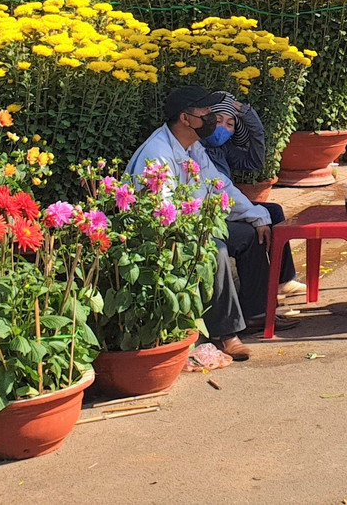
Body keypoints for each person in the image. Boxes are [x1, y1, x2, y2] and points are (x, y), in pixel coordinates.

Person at [126, 85, 288, 362]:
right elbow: (160, 212)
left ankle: (256, 312)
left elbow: (219, 186)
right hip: (166, 234)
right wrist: (200, 228)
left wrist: (256, 215)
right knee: (216, 248)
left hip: (196, 222)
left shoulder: (194, 148)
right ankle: (226, 334)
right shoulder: (158, 153)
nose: (211, 116)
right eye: (205, 111)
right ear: (186, 119)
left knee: (250, 234)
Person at [201, 93, 304, 299]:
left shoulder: (223, 149)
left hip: (227, 204)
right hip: (211, 209)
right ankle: (258, 297)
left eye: (230, 124)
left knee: (274, 211)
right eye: (218, 120)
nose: (223, 128)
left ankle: (283, 280)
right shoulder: (197, 149)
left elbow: (255, 162)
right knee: (253, 229)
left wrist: (250, 117)